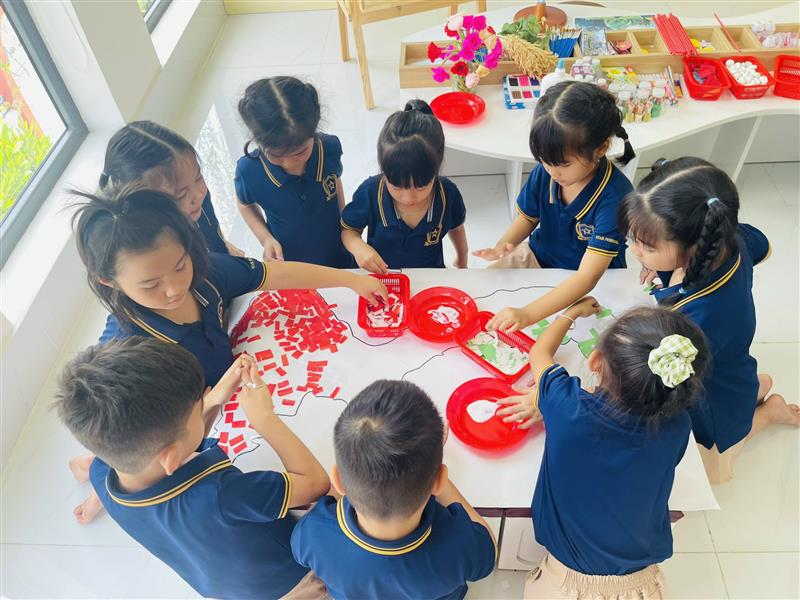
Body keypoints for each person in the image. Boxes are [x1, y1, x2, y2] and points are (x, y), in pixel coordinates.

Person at [55, 337, 330, 599]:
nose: (203, 407)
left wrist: (214, 400)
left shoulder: (101, 472)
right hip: (288, 586)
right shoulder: (222, 494)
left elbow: (176, 449)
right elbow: (315, 483)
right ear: (171, 458)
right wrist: (264, 419)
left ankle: (78, 467)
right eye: (197, 412)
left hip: (221, 585)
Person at [509, 300, 709, 599]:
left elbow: (539, 352)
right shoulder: (678, 425)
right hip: (643, 585)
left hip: (568, 586)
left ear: (594, 361)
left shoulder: (568, 406)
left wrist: (571, 312)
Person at [619, 157, 800, 483]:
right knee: (737, 384)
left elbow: (663, 377)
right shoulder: (727, 238)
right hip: (732, 364)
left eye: (646, 245)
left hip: (711, 390)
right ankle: (756, 388)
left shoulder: (696, 319)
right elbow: (765, 247)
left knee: (714, 472)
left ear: (693, 247)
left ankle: (769, 412)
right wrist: (658, 263)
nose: (635, 251)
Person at [291, 380, 496, 599]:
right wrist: (430, 464)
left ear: (338, 481)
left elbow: (301, 553)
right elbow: (489, 548)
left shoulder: (313, 533)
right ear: (439, 481)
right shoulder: (460, 545)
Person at [472, 81, 635, 333]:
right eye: (544, 160)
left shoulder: (616, 197)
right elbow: (528, 218)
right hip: (538, 257)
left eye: (563, 164)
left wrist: (527, 314)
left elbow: (587, 277)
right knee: (481, 298)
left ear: (601, 148)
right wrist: (505, 244)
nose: (552, 171)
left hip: (591, 280)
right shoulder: (546, 172)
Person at [235, 76, 353, 267]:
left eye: (300, 152)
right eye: (277, 155)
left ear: (313, 132)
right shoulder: (249, 171)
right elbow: (245, 205)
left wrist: (345, 225)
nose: (290, 163)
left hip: (339, 257)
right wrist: (266, 239)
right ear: (258, 142)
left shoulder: (328, 148)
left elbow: (335, 181)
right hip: (292, 266)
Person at [341, 100, 468, 272]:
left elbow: (456, 227)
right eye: (396, 186)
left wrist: (462, 258)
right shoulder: (370, 192)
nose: (408, 198)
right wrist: (358, 248)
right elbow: (348, 230)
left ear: (435, 171)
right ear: (384, 171)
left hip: (431, 273)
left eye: (421, 187)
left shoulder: (448, 194)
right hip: (383, 276)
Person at [100, 120, 240, 256]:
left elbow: (212, 231)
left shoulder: (194, 199)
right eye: (181, 195)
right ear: (144, 205)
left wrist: (226, 252)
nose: (198, 194)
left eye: (198, 178)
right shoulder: (151, 250)